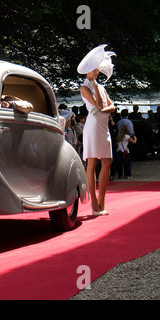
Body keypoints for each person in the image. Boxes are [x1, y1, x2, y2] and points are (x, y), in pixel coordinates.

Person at [77, 44, 116, 216]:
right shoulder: (85, 87)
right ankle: (94, 204)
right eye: (93, 70)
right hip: (93, 125)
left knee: (107, 161)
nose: (96, 72)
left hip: (103, 123)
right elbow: (100, 104)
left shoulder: (99, 86)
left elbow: (111, 106)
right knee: (92, 162)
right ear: (86, 71)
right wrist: (104, 106)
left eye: (96, 70)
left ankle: (102, 202)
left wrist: (105, 110)